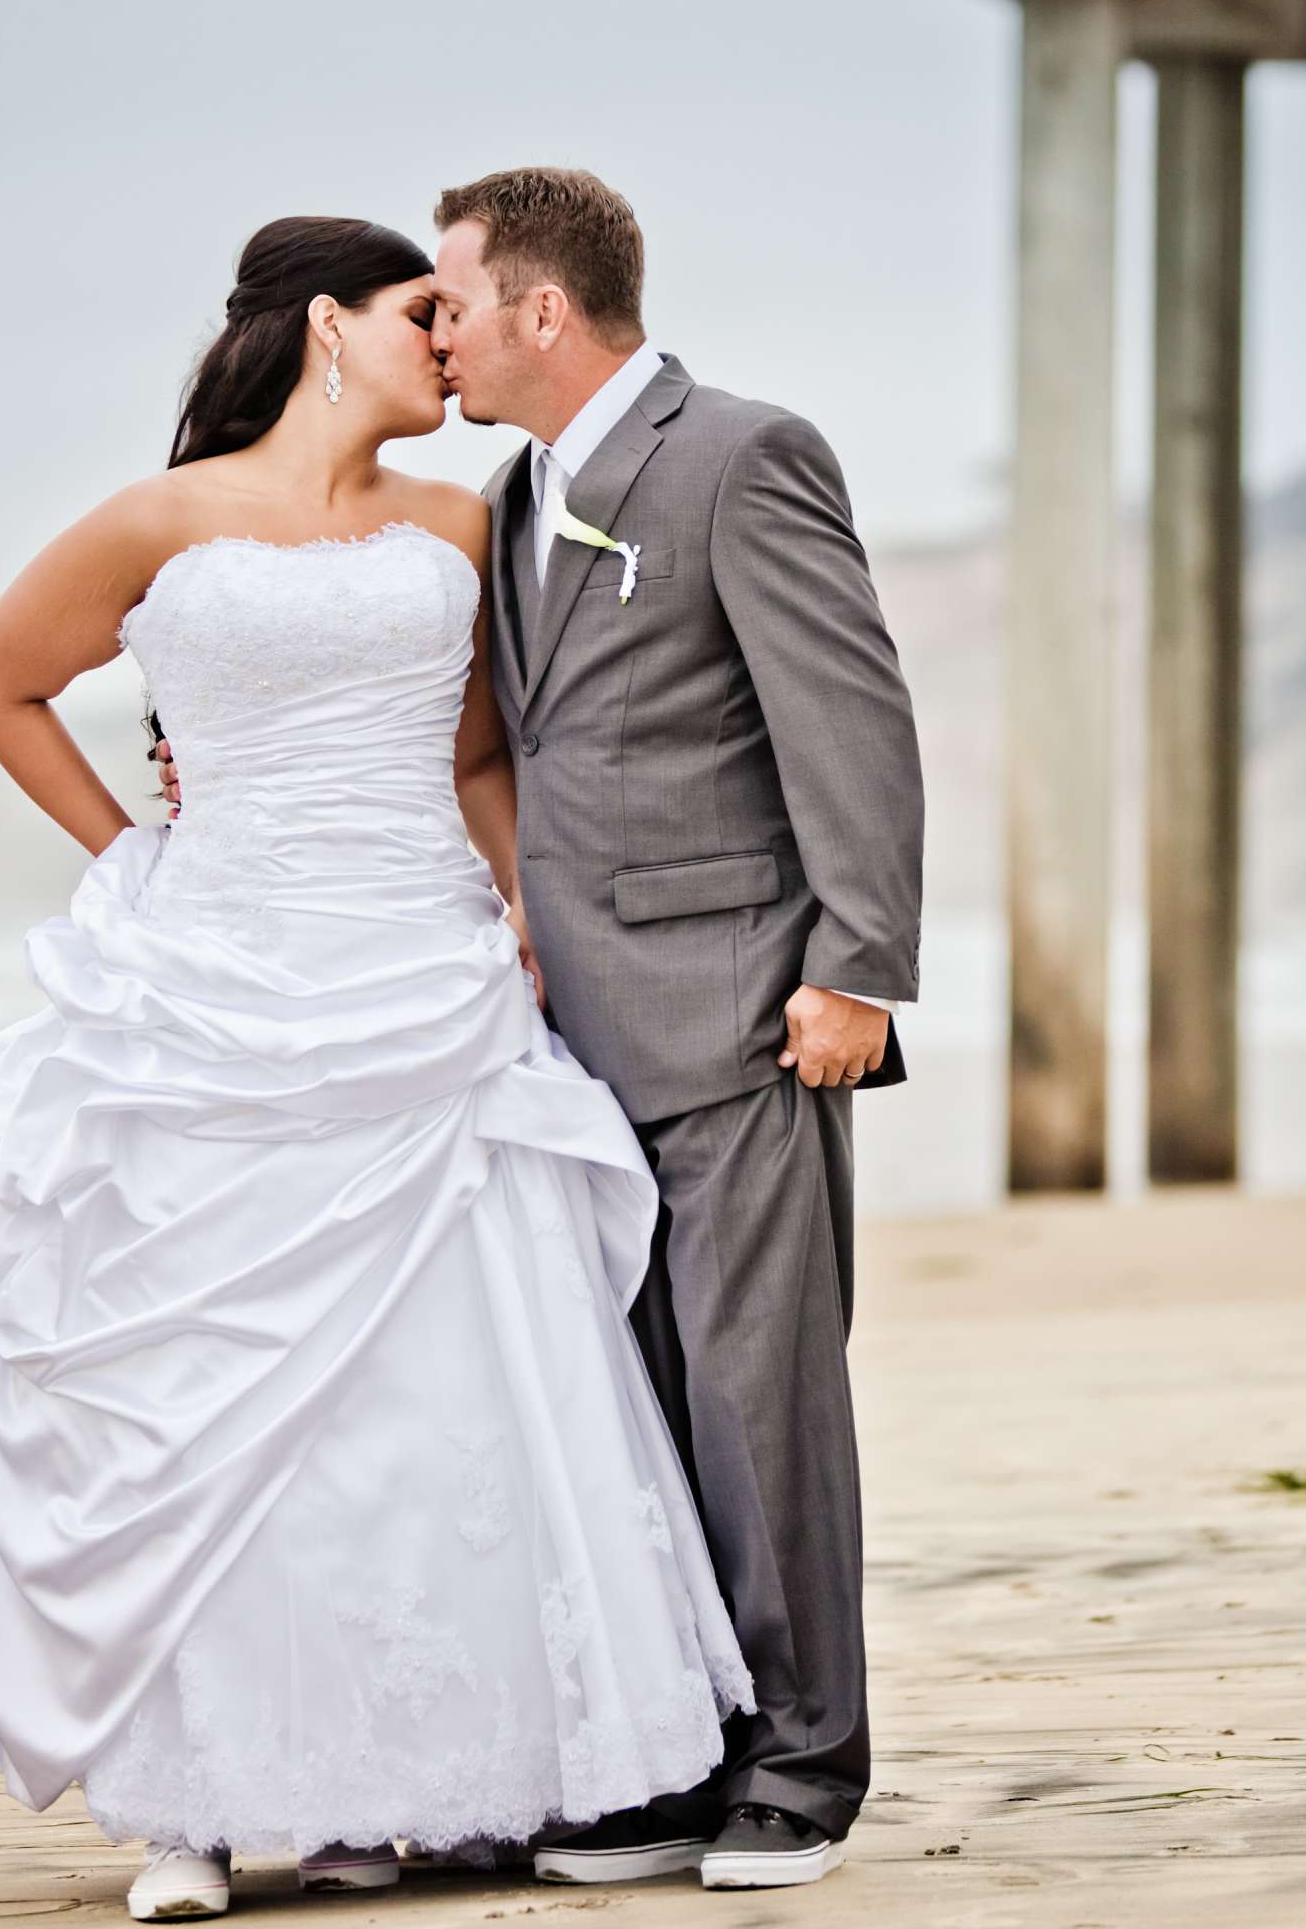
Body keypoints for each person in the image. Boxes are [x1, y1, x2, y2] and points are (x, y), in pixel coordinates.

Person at [0, 215, 754, 1923]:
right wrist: (123, 852)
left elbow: (484, 754)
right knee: (192, 1390)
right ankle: (186, 1812)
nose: (455, 342)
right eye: (426, 312)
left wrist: (520, 910)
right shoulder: (161, 520)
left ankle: (374, 1791)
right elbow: (0, 682)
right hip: (210, 982)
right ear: (326, 326)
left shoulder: (460, 524)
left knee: (421, 1402)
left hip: (421, 977)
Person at [429, 166, 925, 1887]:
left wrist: (855, 967)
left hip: (740, 1018)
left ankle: (803, 1765)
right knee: (633, 1403)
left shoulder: (741, 455)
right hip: (571, 1041)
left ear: (542, 312)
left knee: (755, 1398)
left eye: (458, 300)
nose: (443, 332)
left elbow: (850, 719)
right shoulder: (509, 490)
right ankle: (680, 1757)